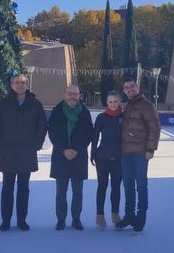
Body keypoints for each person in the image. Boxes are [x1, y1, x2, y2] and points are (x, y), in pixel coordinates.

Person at [0, 74, 47, 231]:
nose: (20, 85)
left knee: (24, 188)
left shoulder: (35, 104)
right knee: (7, 187)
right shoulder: (2, 104)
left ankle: (22, 220)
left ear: (27, 84)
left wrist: (36, 144)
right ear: (12, 85)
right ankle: (6, 220)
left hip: (27, 152)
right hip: (8, 151)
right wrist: (0, 143)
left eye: (23, 82)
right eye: (17, 82)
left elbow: (42, 126)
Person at [116, 78, 161, 232]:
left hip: (140, 154)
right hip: (126, 153)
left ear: (137, 87)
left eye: (132, 86)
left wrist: (150, 149)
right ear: (124, 90)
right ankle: (129, 215)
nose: (130, 89)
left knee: (141, 186)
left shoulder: (146, 105)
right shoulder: (127, 105)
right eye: (127, 87)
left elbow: (155, 128)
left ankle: (140, 216)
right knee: (128, 185)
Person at [48, 85, 93, 231]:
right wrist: (64, 150)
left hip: (78, 156)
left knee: (77, 191)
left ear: (79, 95)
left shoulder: (85, 112)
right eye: (70, 94)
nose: (72, 96)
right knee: (61, 191)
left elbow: (88, 134)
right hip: (61, 156)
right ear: (64, 94)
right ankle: (60, 220)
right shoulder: (57, 110)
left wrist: (76, 150)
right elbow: (52, 132)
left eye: (75, 94)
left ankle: (76, 219)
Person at [91, 91, 124, 229]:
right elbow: (94, 137)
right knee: (102, 186)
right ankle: (99, 215)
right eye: (110, 101)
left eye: (115, 101)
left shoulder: (125, 117)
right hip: (102, 158)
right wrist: (92, 154)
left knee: (116, 187)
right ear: (107, 102)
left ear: (119, 102)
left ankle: (115, 214)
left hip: (119, 158)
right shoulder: (101, 118)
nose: (113, 104)